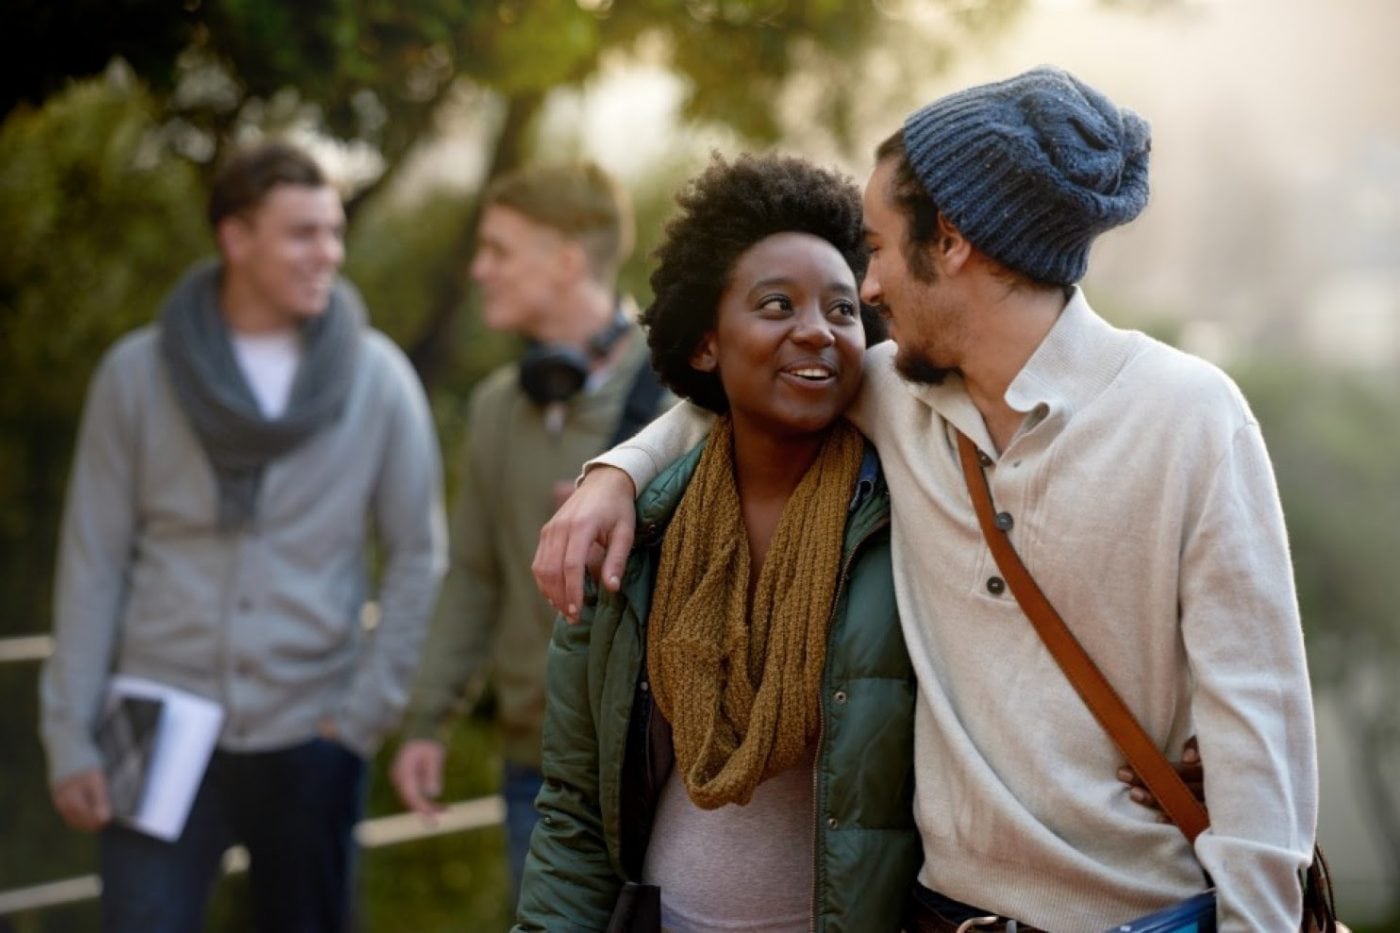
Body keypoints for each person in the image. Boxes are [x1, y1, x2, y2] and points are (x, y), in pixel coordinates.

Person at [533, 66, 1318, 930]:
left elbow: (1261, 728)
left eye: (872, 247)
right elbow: (742, 388)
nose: (864, 292)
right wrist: (615, 474)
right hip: (939, 916)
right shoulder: (894, 395)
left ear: (950, 241)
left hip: (1146, 914)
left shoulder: (1190, 415)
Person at [39, 140, 447, 931]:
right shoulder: (136, 374)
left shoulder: (376, 377)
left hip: (312, 727)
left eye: (333, 231)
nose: (328, 252)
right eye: (302, 232)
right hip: (151, 720)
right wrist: (71, 737)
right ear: (235, 237)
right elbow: (92, 563)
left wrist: (363, 714)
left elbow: (418, 554)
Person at [515, 152, 920, 932]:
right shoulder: (635, 536)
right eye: (776, 306)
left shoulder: (898, 516)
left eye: (841, 309)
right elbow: (574, 804)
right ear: (706, 343)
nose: (816, 331)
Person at [389, 161, 671, 901]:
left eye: (500, 250)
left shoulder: (686, 387)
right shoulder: (493, 408)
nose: (479, 269)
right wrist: (427, 719)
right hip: (537, 772)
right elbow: (474, 575)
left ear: (568, 259)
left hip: (666, 773)